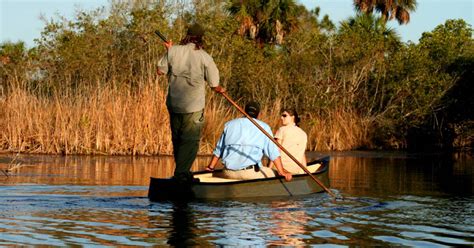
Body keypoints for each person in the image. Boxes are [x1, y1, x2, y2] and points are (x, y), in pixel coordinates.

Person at [157, 23, 225, 183]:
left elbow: (160, 71)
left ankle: (182, 172)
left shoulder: (173, 51)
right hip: (193, 106)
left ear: (187, 35)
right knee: (190, 140)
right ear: (200, 38)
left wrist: (169, 51)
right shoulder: (205, 56)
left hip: (174, 104)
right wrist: (220, 89)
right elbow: (214, 84)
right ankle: (181, 174)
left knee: (178, 138)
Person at [206, 101, 292, 181]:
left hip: (228, 173)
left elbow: (218, 151)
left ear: (244, 111)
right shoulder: (264, 128)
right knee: (275, 173)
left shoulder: (229, 125)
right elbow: (273, 153)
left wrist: (211, 167)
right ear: (258, 114)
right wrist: (282, 171)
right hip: (249, 174)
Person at [274, 108, 308, 174]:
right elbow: (302, 154)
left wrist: (270, 168)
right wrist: (305, 170)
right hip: (295, 170)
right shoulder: (303, 134)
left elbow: (275, 152)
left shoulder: (282, 130)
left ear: (292, 117)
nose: (281, 118)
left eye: (284, 116)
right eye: (281, 116)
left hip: (281, 169)